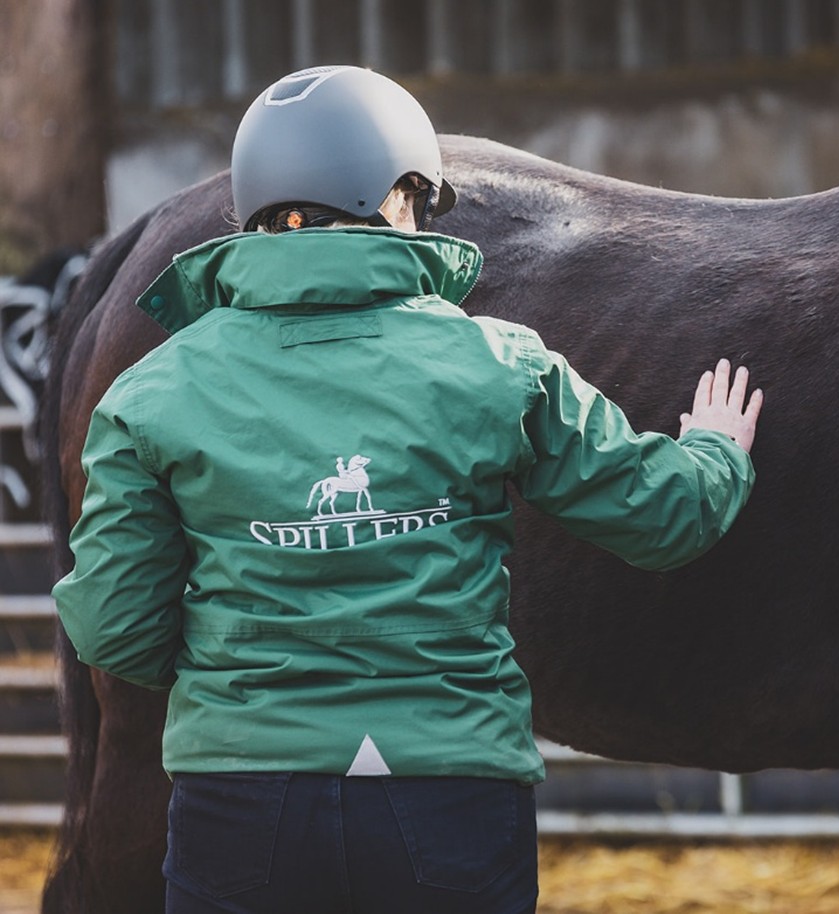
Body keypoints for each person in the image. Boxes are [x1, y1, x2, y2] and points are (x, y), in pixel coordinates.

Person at [53, 66, 762, 914]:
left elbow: (110, 625)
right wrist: (716, 450)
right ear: (394, 196)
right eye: (420, 200)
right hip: (447, 800)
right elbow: (665, 517)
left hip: (241, 803)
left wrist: (242, 679)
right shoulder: (498, 364)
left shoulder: (151, 391)